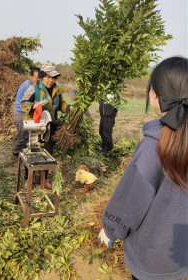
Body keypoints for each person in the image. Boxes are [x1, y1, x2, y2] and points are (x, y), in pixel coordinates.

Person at [98, 56, 188, 280]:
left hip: (152, 260)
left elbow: (131, 197)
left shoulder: (154, 145)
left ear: (157, 96)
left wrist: (110, 229)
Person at [20, 63, 72, 189]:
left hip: (50, 125)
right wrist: (34, 105)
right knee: (33, 152)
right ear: (42, 76)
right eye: (49, 77)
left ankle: (43, 180)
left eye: (54, 77)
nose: (51, 80)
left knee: (48, 153)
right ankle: (28, 179)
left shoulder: (56, 89)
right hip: (34, 125)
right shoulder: (34, 87)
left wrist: (70, 109)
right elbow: (23, 103)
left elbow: (62, 105)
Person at [12, 67, 40, 156]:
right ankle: (15, 153)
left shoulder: (31, 85)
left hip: (23, 112)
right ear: (30, 77)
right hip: (21, 113)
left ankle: (24, 154)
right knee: (22, 137)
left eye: (40, 78)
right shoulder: (28, 86)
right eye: (37, 78)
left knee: (27, 136)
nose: (38, 80)